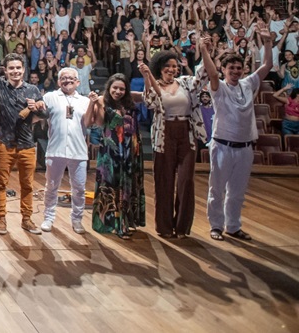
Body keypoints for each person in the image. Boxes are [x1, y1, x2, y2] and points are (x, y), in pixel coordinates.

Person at [201, 30, 273, 241]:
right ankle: (216, 225)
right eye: (231, 68)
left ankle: (233, 226)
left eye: (238, 68)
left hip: (245, 147)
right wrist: (204, 49)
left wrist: (267, 43)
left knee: (237, 192)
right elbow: (212, 74)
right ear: (223, 69)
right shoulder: (219, 87)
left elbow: (267, 66)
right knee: (217, 189)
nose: (235, 71)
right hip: (222, 145)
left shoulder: (248, 83)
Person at [0, 26, 47, 235]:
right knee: (0, 183)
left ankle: (27, 219)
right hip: (5, 143)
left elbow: (44, 116)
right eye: (11, 68)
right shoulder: (0, 87)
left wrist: (38, 108)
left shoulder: (33, 90)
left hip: (27, 145)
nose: (15, 71)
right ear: (6, 70)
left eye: (18, 68)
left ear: (23, 69)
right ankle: (1, 219)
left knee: (27, 185)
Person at [142, 50, 208, 238]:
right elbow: (150, 102)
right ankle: (164, 227)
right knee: (164, 181)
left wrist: (206, 51)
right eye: (168, 66)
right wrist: (147, 77)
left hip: (186, 132)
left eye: (175, 66)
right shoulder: (155, 85)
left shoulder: (185, 82)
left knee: (186, 180)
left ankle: (182, 227)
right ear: (160, 68)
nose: (172, 69)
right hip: (164, 134)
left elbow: (203, 76)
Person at [39, 68, 96, 234]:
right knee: (51, 186)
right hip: (55, 149)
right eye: (63, 78)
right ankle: (48, 218)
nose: (67, 81)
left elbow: (88, 123)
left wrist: (93, 103)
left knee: (78, 188)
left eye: (71, 78)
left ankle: (77, 219)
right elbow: (39, 113)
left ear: (78, 82)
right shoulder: (49, 97)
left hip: (78, 151)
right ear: (58, 81)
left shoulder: (85, 101)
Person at [90, 74, 146, 238]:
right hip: (111, 150)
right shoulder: (102, 101)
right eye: (115, 88)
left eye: (122, 88)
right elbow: (99, 123)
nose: (118, 91)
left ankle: (126, 221)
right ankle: (113, 223)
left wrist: (147, 75)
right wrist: (97, 103)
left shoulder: (131, 100)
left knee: (128, 184)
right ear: (109, 88)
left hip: (131, 149)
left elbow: (150, 95)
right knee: (110, 185)